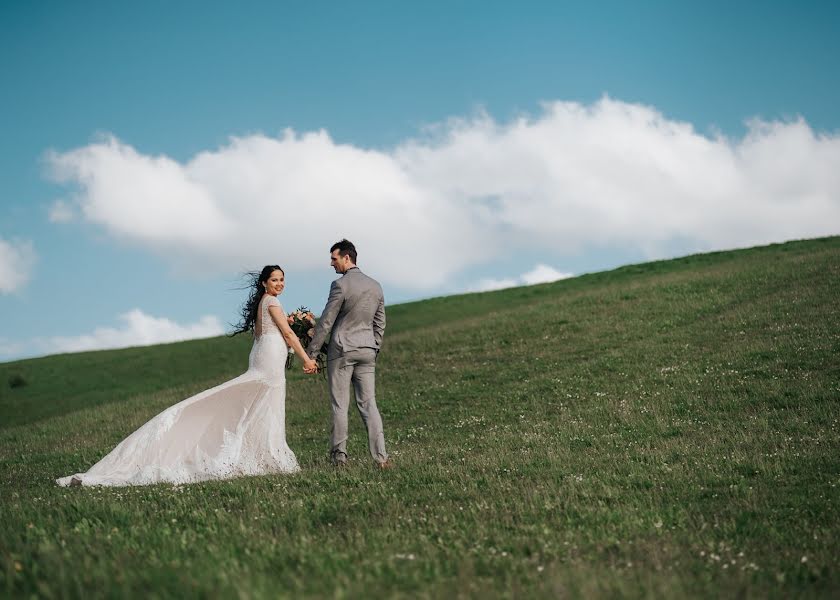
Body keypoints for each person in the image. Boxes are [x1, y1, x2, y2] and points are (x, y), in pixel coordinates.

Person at [56, 265, 317, 487]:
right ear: (264, 283)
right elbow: (288, 334)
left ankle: (258, 452)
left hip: (262, 353)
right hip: (269, 355)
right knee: (263, 402)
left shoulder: (262, 303)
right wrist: (307, 358)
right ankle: (266, 454)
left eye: (282, 280)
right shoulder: (272, 301)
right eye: (275, 280)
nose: (280, 284)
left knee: (258, 403)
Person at [307, 240, 392, 469]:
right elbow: (380, 322)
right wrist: (374, 346)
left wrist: (312, 353)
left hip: (342, 350)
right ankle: (381, 458)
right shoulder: (376, 286)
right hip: (367, 350)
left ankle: (339, 458)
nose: (331, 263)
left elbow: (326, 321)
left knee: (340, 405)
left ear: (347, 258)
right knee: (369, 404)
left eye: (334, 259)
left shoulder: (340, 285)